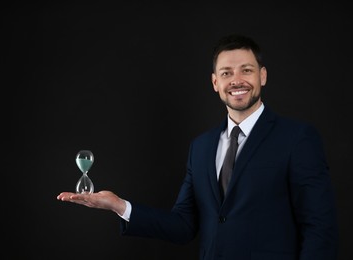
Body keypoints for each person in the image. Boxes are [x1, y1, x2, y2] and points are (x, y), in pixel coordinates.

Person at [57, 34, 338, 260]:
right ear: (215, 82)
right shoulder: (201, 147)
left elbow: (319, 227)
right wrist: (120, 207)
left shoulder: (297, 138)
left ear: (262, 76)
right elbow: (183, 226)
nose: (236, 80)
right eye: (226, 73)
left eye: (247, 70)